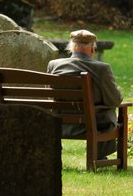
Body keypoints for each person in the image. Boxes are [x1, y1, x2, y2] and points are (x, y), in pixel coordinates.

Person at [47, 29, 123, 159]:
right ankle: (99, 156)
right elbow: (115, 100)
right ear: (92, 49)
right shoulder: (101, 69)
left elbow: (49, 96)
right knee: (108, 113)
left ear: (71, 48)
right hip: (92, 124)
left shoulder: (54, 65)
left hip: (61, 123)